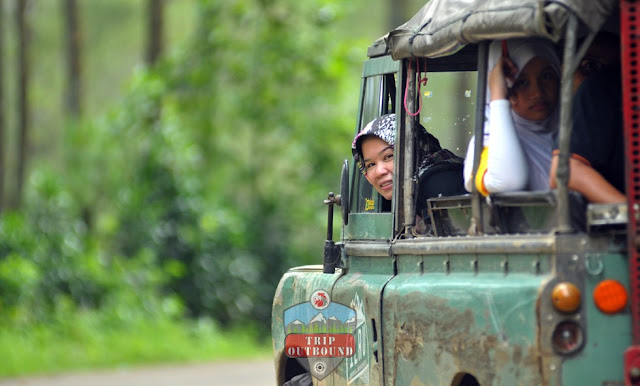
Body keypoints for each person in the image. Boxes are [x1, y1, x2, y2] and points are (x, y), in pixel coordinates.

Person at [463, 38, 561, 195]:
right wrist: (498, 98)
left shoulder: (572, 137)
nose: (537, 93)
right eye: (522, 82)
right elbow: (507, 181)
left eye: (547, 77)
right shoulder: (486, 142)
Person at [352, 113, 465, 232]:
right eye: (370, 165)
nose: (379, 172)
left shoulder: (439, 182)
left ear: (413, 149)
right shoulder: (408, 193)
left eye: (388, 156)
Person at [549, 32, 624, 204]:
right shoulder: (598, 89)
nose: (598, 80)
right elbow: (563, 172)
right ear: (565, 72)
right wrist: (630, 213)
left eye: (616, 71)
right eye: (589, 66)